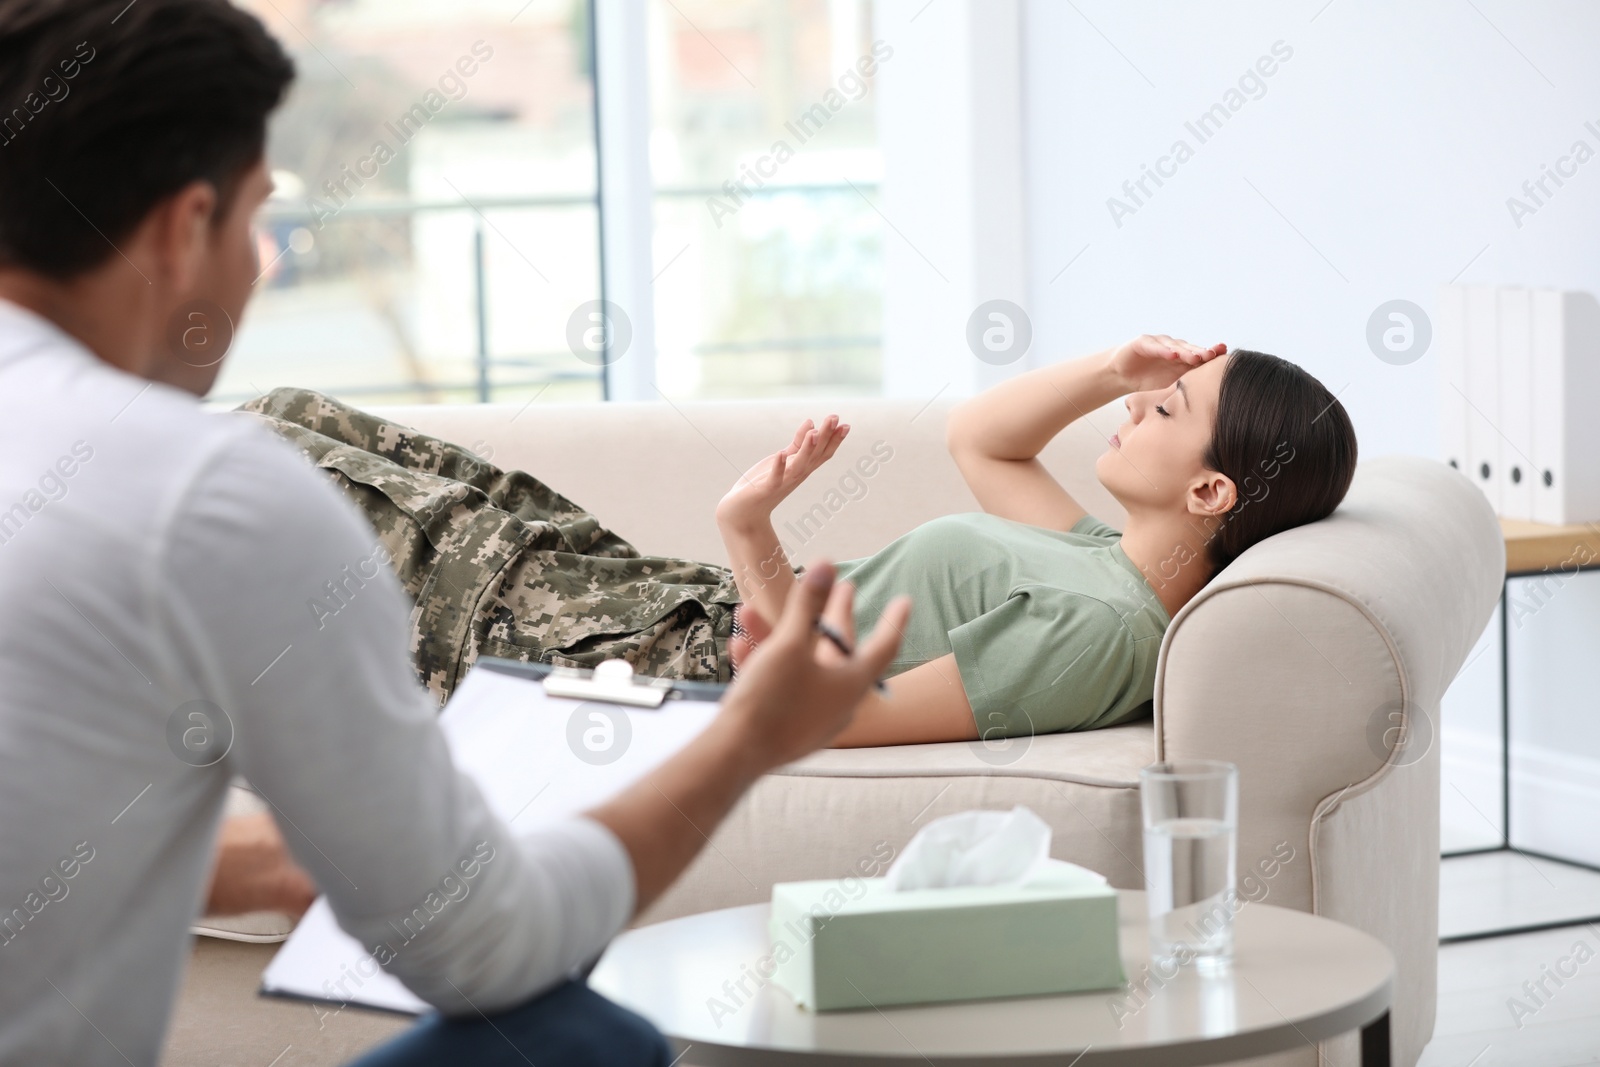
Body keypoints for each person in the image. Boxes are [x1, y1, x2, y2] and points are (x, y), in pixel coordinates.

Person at [0, 2, 907, 1065]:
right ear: (177, 228)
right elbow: (486, 949)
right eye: (257, 219)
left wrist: (237, 858)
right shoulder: (207, 492)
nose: (266, 265)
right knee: (576, 1035)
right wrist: (749, 736)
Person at [247, 336, 1357, 749]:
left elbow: (816, 711)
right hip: (651, 599)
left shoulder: (1099, 628)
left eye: (1163, 411)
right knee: (294, 412)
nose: (1132, 412)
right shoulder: (1096, 562)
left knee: (262, 456)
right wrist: (1115, 369)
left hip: (639, 659)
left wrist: (750, 530)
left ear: (1211, 488)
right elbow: (987, 442)